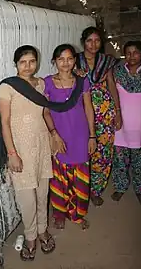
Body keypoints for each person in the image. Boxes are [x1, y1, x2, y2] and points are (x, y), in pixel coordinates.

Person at [0, 45, 55, 261]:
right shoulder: (8, 87)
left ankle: (42, 230)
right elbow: (4, 121)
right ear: (16, 64)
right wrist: (11, 153)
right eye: (23, 62)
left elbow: (46, 111)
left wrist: (53, 134)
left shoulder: (40, 84)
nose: (28, 66)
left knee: (42, 192)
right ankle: (30, 236)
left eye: (32, 61)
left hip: (41, 144)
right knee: (26, 197)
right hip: (20, 148)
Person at [43, 44, 97, 230]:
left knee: (80, 177)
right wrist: (54, 135)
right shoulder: (47, 83)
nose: (65, 63)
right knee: (59, 177)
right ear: (54, 61)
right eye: (61, 59)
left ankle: (78, 214)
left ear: (75, 60)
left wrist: (92, 136)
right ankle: (59, 214)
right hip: (59, 135)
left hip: (80, 135)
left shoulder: (82, 81)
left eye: (69, 58)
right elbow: (46, 112)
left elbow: (89, 109)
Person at [75, 26, 122, 206]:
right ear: (83, 42)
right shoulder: (75, 60)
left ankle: (96, 190)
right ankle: (82, 189)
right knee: (84, 150)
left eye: (97, 40)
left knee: (103, 153)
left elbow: (111, 85)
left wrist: (117, 111)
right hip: (82, 111)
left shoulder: (106, 61)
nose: (93, 44)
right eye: (89, 40)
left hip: (104, 112)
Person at [111, 41, 141, 205]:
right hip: (121, 126)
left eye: (135, 52)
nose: (132, 56)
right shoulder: (117, 72)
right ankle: (120, 187)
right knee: (119, 160)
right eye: (128, 53)